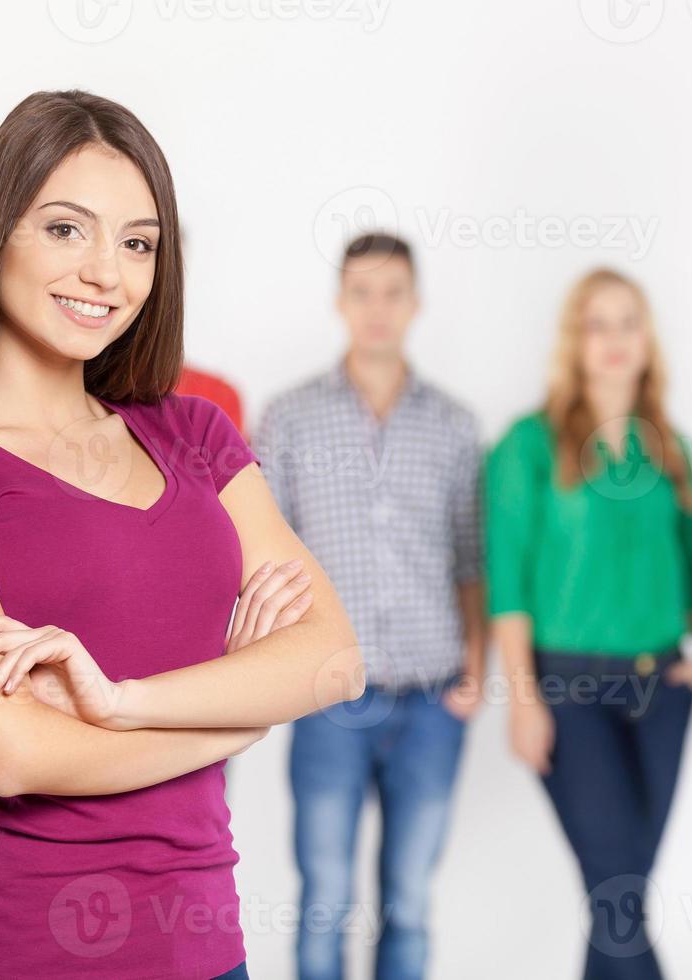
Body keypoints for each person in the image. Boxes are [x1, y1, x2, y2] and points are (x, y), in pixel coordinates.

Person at [0, 89, 363, 980]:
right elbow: (11, 752)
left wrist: (118, 700)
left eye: (138, 243)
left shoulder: (195, 433)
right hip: (23, 950)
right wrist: (239, 714)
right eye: (66, 229)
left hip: (206, 949)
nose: (106, 272)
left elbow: (331, 663)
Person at [253, 231, 485, 980]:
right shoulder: (289, 418)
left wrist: (474, 671)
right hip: (329, 699)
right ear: (339, 301)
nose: (377, 309)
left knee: (410, 900)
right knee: (324, 895)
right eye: (362, 292)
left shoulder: (453, 423)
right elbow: (266, 557)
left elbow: (470, 558)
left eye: (393, 292)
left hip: (431, 698)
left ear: (415, 303)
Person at [483, 267, 692, 979]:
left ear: (647, 340)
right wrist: (522, 699)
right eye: (598, 324)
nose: (615, 340)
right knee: (619, 895)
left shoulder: (669, 447)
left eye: (629, 323)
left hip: (662, 688)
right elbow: (508, 584)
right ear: (574, 341)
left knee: (621, 898)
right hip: (570, 690)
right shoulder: (528, 444)